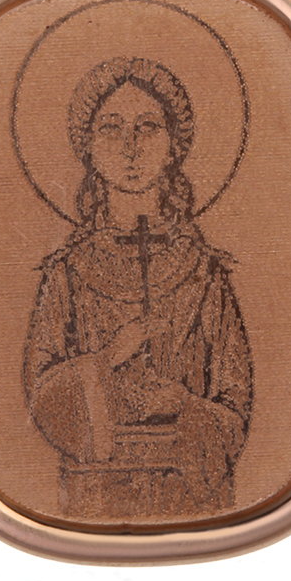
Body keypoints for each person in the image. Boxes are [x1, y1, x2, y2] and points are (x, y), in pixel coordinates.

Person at [23, 56, 253, 520]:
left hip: (190, 492)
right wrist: (107, 360)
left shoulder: (205, 275)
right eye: (111, 128)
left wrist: (184, 405)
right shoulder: (67, 275)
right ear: (88, 148)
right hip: (94, 494)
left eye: (147, 127)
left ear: (172, 147)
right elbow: (40, 398)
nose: (130, 147)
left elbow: (237, 405)